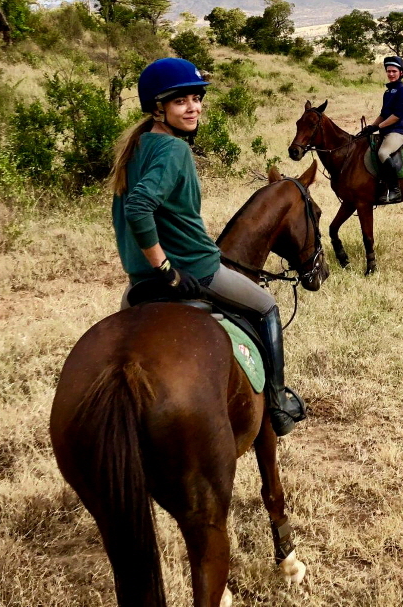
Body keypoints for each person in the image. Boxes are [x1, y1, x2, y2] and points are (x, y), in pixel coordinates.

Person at [109, 57, 305, 436]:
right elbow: (138, 207)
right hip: (196, 270)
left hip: (139, 282)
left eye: (196, 99)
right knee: (266, 307)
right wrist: (168, 269)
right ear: (158, 108)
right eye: (181, 101)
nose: (193, 108)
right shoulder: (174, 150)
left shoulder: (136, 146)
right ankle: (278, 404)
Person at [360, 55, 403, 204]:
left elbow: (396, 116)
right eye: (388, 71)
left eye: (394, 71)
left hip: (398, 131)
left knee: (383, 153)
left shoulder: (402, 91)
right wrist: (371, 126)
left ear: (401, 73)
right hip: (387, 130)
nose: (391, 74)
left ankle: (395, 190)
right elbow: (383, 114)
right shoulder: (389, 92)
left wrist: (378, 127)